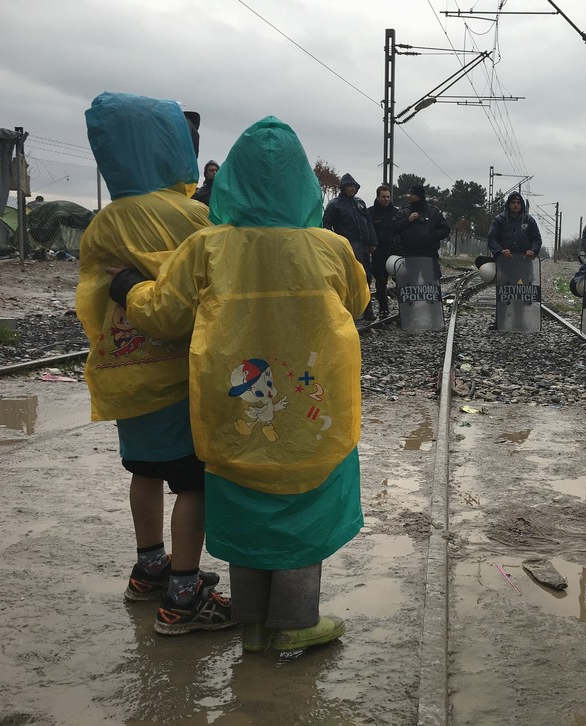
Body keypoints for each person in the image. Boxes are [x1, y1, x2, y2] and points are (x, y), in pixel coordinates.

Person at [110, 116, 370, 653]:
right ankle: (295, 623)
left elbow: (162, 314)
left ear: (230, 178)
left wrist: (129, 288)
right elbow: (359, 302)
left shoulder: (207, 247)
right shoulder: (330, 247)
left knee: (245, 507)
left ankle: (251, 624)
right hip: (309, 414)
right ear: (304, 182)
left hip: (235, 411)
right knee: (305, 511)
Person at [76, 92, 230, 635]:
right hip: (179, 377)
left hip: (124, 373)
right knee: (194, 483)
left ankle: (149, 567)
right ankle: (185, 595)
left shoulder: (104, 222)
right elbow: (206, 289)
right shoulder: (196, 217)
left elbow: (92, 296)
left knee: (143, 469)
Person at [323, 173, 378, 319]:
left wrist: (373, 241)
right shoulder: (334, 205)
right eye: (349, 186)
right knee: (352, 277)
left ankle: (368, 310)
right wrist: (334, 241)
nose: (352, 189)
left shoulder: (360, 202)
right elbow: (326, 223)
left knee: (366, 275)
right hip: (347, 245)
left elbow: (369, 222)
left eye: (353, 186)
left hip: (364, 245)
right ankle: (352, 310)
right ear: (343, 187)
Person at [392, 183, 450, 279]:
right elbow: (394, 227)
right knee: (410, 282)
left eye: (412, 194)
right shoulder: (404, 212)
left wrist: (433, 236)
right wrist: (408, 220)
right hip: (410, 254)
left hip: (429, 254)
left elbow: (445, 229)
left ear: (419, 195)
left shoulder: (433, 212)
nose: (409, 196)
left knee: (431, 281)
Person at [369, 184, 400, 317]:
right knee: (381, 282)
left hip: (394, 250)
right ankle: (383, 309)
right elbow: (368, 230)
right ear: (378, 197)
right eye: (383, 197)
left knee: (400, 280)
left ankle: (403, 309)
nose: (386, 199)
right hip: (378, 251)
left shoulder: (396, 213)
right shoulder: (370, 212)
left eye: (388, 197)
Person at [487, 191, 542, 260]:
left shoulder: (529, 220)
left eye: (518, 203)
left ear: (521, 205)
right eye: (513, 202)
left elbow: (537, 239)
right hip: (503, 261)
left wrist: (533, 250)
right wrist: (500, 251)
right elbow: (492, 238)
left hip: (525, 261)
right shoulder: (499, 220)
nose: (516, 205)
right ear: (508, 204)